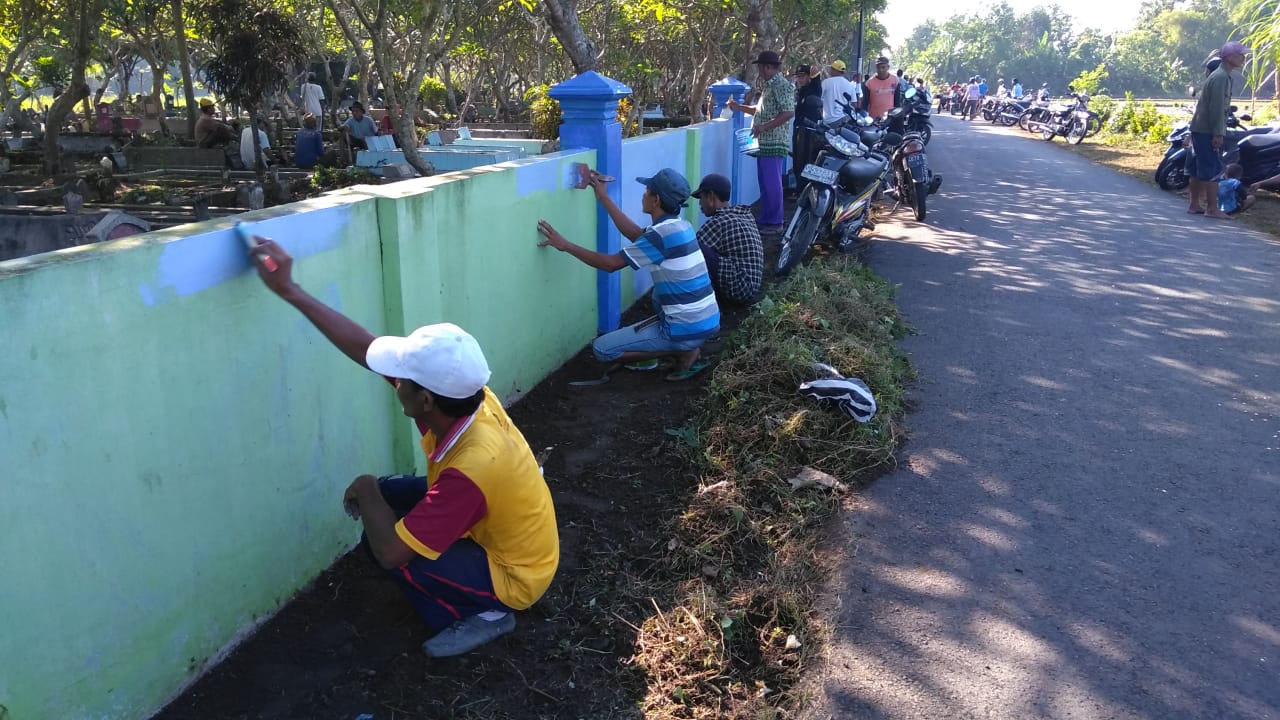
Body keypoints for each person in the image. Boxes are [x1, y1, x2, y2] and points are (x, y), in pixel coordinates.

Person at [242, 237, 559, 658]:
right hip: (502, 527)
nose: (393, 380)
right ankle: (460, 572)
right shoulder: (466, 396)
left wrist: (366, 486)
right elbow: (365, 348)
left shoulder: (473, 466)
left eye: (400, 378)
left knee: (392, 549)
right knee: (389, 500)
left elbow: (392, 553)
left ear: (424, 400)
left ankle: (487, 612)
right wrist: (289, 290)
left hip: (516, 574)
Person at [535, 168, 720, 381]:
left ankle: (680, 349)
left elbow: (611, 264)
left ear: (656, 200)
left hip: (688, 326)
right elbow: (635, 235)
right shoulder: (680, 226)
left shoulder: (659, 236)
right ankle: (684, 343)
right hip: (707, 320)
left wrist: (565, 245)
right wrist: (603, 197)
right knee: (658, 295)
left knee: (602, 349)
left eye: (647, 191)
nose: (643, 194)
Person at [726, 50, 794, 235]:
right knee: (765, 182)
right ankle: (767, 219)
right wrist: (738, 107)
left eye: (761, 67)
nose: (759, 71)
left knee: (771, 183)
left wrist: (764, 127)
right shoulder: (770, 86)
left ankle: (775, 222)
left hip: (773, 141)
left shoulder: (780, 85)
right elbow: (760, 110)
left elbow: (788, 112)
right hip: (764, 142)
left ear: (767, 67)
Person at [1189, 40, 1250, 219]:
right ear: (1229, 57)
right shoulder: (1221, 77)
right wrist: (1218, 133)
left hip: (1200, 127)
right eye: (1240, 55)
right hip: (1207, 129)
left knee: (1198, 167)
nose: (1243, 58)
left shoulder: (1220, 75)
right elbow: (1216, 108)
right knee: (1213, 168)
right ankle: (1212, 208)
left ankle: (1194, 205)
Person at [690, 173, 763, 306]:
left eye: (701, 198)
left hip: (740, 289)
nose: (700, 204)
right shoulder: (742, 215)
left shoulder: (720, 222)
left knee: (697, 249)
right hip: (751, 286)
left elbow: (688, 252)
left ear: (711, 196)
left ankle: (707, 303)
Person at [793, 64, 824, 175]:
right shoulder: (802, 90)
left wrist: (815, 75)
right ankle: (799, 189)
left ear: (809, 77)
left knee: (805, 162)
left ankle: (803, 188)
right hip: (799, 128)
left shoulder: (814, 89)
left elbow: (817, 84)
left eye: (802, 76)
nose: (799, 79)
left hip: (808, 131)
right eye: (798, 76)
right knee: (797, 162)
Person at [821, 59, 859, 124]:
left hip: (830, 121)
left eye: (832, 69)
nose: (830, 70)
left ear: (834, 70)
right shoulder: (850, 85)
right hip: (846, 119)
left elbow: (819, 99)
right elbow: (854, 104)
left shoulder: (826, 82)